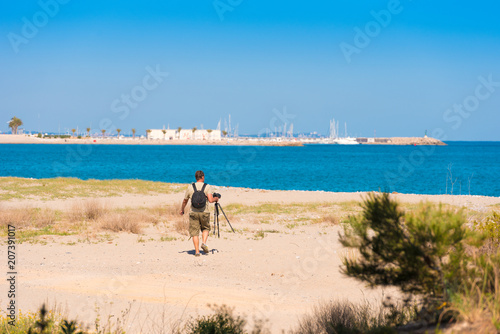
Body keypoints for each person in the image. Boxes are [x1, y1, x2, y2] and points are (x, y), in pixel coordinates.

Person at [180, 170, 219, 256]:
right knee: (205, 228)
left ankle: (197, 252)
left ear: (196, 177)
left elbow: (185, 200)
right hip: (204, 212)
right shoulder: (207, 187)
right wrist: (216, 198)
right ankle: (204, 243)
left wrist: (182, 209)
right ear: (202, 177)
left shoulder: (190, 187)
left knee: (194, 232)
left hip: (193, 212)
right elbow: (210, 200)